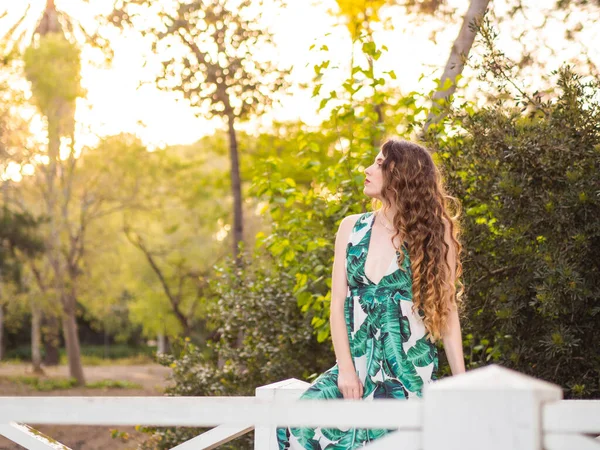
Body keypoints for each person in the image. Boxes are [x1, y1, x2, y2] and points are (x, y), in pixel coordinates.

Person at [276, 138, 466, 449]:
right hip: (357, 365)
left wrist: (462, 382)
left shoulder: (433, 233)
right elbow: (337, 306)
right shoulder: (351, 228)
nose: (368, 169)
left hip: (407, 373)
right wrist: (347, 371)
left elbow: (447, 310)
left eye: (379, 164)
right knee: (295, 428)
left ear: (401, 174)